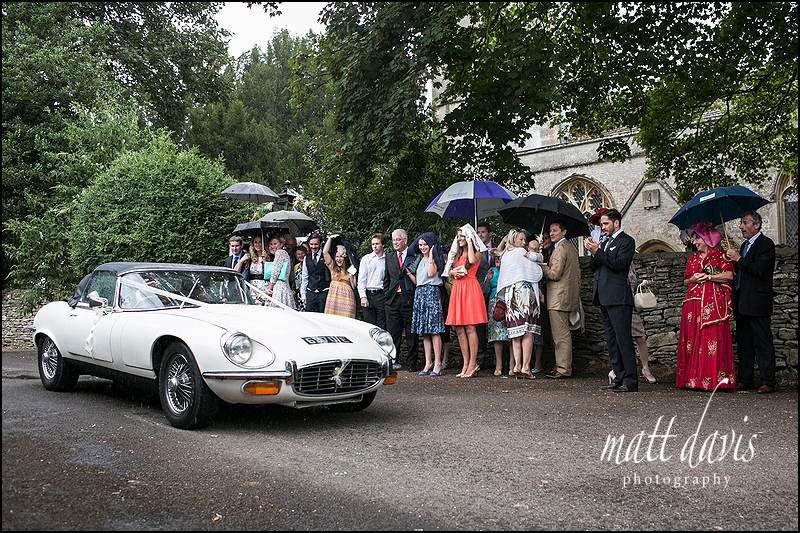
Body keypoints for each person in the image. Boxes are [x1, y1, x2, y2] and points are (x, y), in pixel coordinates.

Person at [675, 222, 736, 392]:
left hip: (712, 304)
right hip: (693, 303)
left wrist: (709, 277)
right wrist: (693, 279)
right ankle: (693, 379)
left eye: (697, 238)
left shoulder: (721, 256)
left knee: (710, 338)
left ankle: (712, 380)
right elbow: (686, 280)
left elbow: (729, 275)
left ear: (707, 239)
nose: (694, 242)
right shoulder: (692, 258)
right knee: (692, 340)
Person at [584, 209, 638, 392]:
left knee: (623, 340)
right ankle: (618, 377)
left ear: (616, 223)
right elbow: (594, 268)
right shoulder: (605, 242)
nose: (603, 227)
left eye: (606, 223)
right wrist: (594, 252)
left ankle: (630, 380)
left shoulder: (627, 241)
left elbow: (618, 264)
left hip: (618, 297)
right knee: (611, 341)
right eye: (601, 224)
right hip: (604, 296)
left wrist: (598, 251)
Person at [725, 210, 777, 393]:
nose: (741, 226)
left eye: (745, 223)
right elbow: (743, 271)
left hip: (757, 302)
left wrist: (739, 259)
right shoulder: (744, 246)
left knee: (762, 342)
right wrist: (733, 261)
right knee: (744, 343)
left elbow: (759, 270)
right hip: (742, 301)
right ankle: (746, 379)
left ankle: (767, 381)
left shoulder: (765, 244)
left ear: (757, 224)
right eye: (741, 223)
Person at [496, 229, 543, 380]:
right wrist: (535, 255)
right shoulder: (522, 253)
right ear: (514, 240)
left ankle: (517, 365)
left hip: (511, 296)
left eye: (524, 240)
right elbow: (537, 272)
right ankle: (526, 367)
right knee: (527, 331)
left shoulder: (506, 255)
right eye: (521, 239)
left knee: (516, 332)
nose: (524, 242)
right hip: (525, 294)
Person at [446, 225, 489, 378]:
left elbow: (471, 260)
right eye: (458, 236)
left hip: (470, 288)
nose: (459, 239)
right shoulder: (456, 255)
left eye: (462, 236)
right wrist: (452, 272)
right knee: (459, 328)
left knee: (470, 327)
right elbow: (448, 271)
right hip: (458, 289)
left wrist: (470, 242)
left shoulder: (477, 252)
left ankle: (473, 363)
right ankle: (465, 364)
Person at [540, 221, 581, 379]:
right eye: (550, 230)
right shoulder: (570, 248)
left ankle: (563, 368)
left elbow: (554, 274)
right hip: (566, 296)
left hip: (558, 298)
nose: (551, 233)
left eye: (555, 230)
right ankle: (560, 365)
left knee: (560, 336)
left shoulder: (560, 249)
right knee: (562, 334)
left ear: (564, 232)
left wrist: (541, 265)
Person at [608, 266, 658, 385]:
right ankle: (615, 370)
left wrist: (643, 284)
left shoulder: (631, 264)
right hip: (620, 303)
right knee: (621, 338)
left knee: (641, 337)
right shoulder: (616, 261)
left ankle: (645, 368)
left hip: (631, 305)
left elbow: (633, 285)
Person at [408, 232, 446, 377]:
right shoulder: (419, 259)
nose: (422, 247)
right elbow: (418, 281)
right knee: (425, 332)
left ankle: (437, 363)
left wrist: (431, 254)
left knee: (434, 330)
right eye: (420, 245)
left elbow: (431, 273)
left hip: (432, 293)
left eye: (425, 244)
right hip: (420, 293)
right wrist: (409, 274)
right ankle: (428, 362)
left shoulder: (435, 258)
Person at [384, 229, 419, 371]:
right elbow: (386, 278)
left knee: (411, 333)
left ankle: (412, 364)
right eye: (393, 240)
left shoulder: (413, 256)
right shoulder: (389, 257)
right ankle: (393, 361)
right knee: (393, 333)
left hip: (408, 299)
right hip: (392, 300)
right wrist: (387, 295)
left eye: (398, 239)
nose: (395, 242)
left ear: (405, 240)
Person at [484, 251, 509, 376]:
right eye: (496, 258)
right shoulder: (492, 271)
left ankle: (512, 365)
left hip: (509, 300)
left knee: (512, 333)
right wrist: (488, 280)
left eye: (500, 257)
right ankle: (499, 365)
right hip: (494, 302)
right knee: (497, 335)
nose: (498, 260)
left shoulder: (510, 269)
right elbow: (484, 290)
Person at [322, 235, 357, 318]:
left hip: (347, 299)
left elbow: (354, 286)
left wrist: (352, 275)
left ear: (345, 257)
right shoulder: (333, 267)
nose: (338, 259)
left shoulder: (351, 269)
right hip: (333, 299)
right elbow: (325, 252)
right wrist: (330, 239)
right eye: (337, 256)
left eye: (341, 256)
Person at [358, 233, 388, 329]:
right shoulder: (366, 259)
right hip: (368, 294)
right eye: (373, 244)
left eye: (377, 244)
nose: (374, 246)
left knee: (382, 324)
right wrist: (363, 296)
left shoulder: (387, 259)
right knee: (369, 325)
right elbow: (361, 279)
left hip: (381, 295)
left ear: (383, 245)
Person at [263, 237, 296, 309]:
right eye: (271, 244)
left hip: (279, 287)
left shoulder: (280, 252)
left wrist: (270, 287)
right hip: (281, 286)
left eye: (275, 244)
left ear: (281, 244)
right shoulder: (282, 254)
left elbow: (275, 272)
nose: (272, 246)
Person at [300, 234, 330, 312]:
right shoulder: (306, 257)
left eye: (316, 244)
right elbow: (305, 277)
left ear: (320, 244)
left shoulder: (326, 256)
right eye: (311, 244)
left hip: (324, 292)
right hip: (311, 293)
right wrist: (303, 294)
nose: (313, 246)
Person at [293, 245, 307, 311]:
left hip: (307, 292)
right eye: (298, 254)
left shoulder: (309, 264)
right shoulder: (296, 266)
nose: (301, 255)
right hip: (298, 293)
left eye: (302, 253)